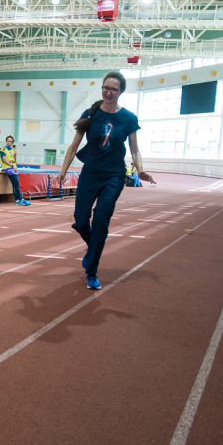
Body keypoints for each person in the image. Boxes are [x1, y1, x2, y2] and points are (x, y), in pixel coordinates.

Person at [58, 71, 155, 290]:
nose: (108, 92)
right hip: (90, 173)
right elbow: (73, 146)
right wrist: (63, 171)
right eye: (105, 88)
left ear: (121, 92)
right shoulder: (90, 113)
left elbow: (135, 149)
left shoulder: (129, 118)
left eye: (113, 89)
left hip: (113, 175)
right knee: (80, 220)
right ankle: (93, 249)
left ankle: (92, 270)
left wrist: (140, 170)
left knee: (101, 219)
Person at [0, 135, 30, 206]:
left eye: (10, 141)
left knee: (15, 184)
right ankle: (21, 199)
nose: (9, 142)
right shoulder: (3, 149)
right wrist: (12, 166)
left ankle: (17, 200)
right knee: (16, 183)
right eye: (7, 141)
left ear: (12, 142)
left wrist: (15, 165)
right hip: (7, 168)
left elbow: (14, 160)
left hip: (13, 168)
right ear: (6, 141)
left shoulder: (13, 150)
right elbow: (4, 160)